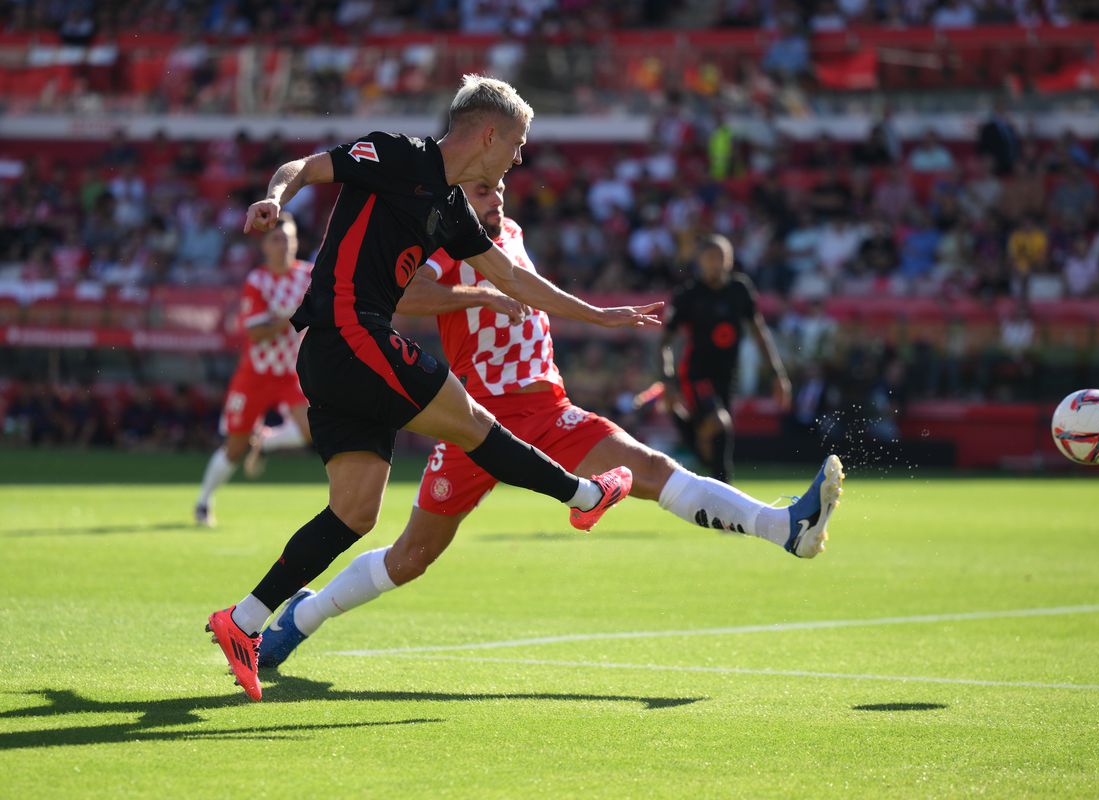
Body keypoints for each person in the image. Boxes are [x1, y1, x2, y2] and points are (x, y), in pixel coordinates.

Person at [255, 180, 845, 669]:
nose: (499, 195)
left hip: (548, 408)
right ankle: (305, 616)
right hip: (472, 420)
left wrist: (596, 315)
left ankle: (782, 527)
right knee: (411, 557)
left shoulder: (509, 235)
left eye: (503, 186)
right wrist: (476, 296)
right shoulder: (443, 238)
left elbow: (535, 292)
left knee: (653, 469)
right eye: (485, 188)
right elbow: (402, 292)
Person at [206, 75, 660, 702]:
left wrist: (600, 315)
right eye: (519, 142)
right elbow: (301, 168)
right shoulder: (397, 154)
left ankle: (243, 621)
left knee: (355, 512)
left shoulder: (451, 210)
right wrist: (274, 198)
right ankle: (583, 494)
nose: (521, 156)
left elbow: (515, 281)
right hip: (348, 332)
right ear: (490, 133)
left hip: (337, 360)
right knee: (471, 421)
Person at [194, 212, 313, 526]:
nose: (284, 244)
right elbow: (256, 332)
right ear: (265, 246)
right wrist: (293, 316)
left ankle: (263, 442)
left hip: (290, 372)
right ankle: (204, 502)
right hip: (255, 374)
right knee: (234, 448)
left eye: (288, 237)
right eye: (277, 238)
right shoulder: (257, 280)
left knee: (311, 430)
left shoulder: (309, 275)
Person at [661, 235, 792, 484]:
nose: (715, 263)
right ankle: (721, 480)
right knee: (720, 423)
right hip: (696, 373)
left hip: (727, 374)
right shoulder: (688, 295)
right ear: (700, 261)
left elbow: (759, 333)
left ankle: (722, 489)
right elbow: (665, 342)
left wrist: (778, 374)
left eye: (721, 257)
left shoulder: (740, 290)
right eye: (710, 257)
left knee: (720, 441)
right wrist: (667, 378)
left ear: (730, 260)